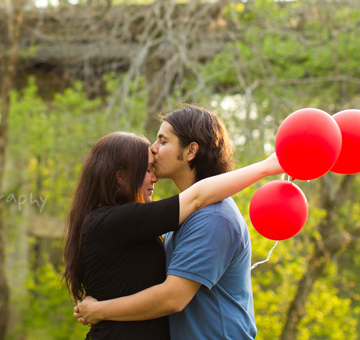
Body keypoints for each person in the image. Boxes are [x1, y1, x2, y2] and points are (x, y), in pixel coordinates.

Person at [75, 105, 273, 339]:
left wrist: (100, 310)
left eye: (163, 141)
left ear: (190, 151)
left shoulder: (213, 217)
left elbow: (173, 297)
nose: (153, 149)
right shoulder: (176, 218)